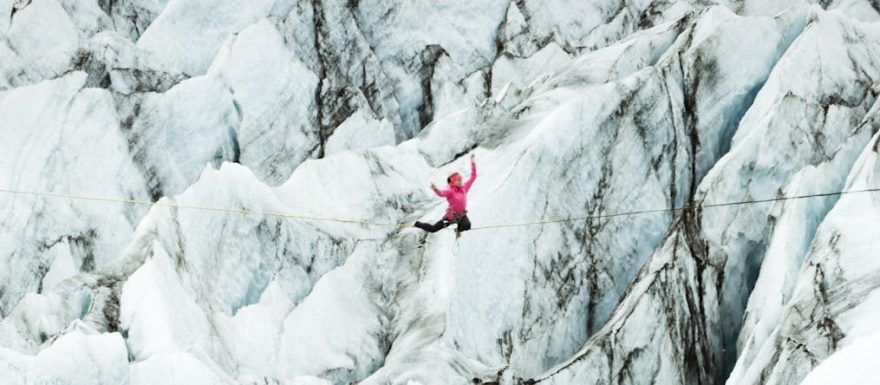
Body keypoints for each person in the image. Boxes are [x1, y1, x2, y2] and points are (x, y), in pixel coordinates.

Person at [415, 154, 476, 238]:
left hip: (461, 216)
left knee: (467, 226)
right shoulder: (450, 191)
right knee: (433, 228)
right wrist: (435, 189)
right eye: (458, 180)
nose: (461, 182)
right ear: (453, 182)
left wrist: (472, 162)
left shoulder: (464, 188)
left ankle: (458, 230)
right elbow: (441, 193)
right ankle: (417, 224)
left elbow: (473, 177)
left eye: (461, 180)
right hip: (450, 218)